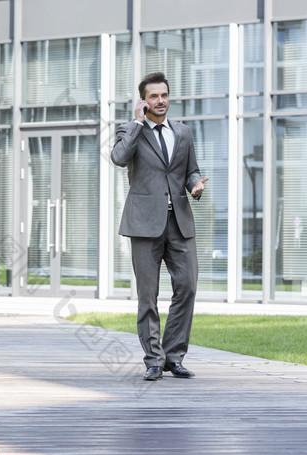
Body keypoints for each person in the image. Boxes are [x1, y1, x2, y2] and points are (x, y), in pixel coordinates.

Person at [110, 72, 209, 381]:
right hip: (143, 224)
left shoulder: (183, 132)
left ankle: (174, 356)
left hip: (179, 221)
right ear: (143, 100)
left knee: (188, 287)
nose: (161, 100)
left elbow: (191, 170)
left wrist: (195, 185)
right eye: (153, 96)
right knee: (147, 295)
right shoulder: (129, 130)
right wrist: (138, 123)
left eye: (164, 95)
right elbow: (118, 158)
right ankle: (154, 359)